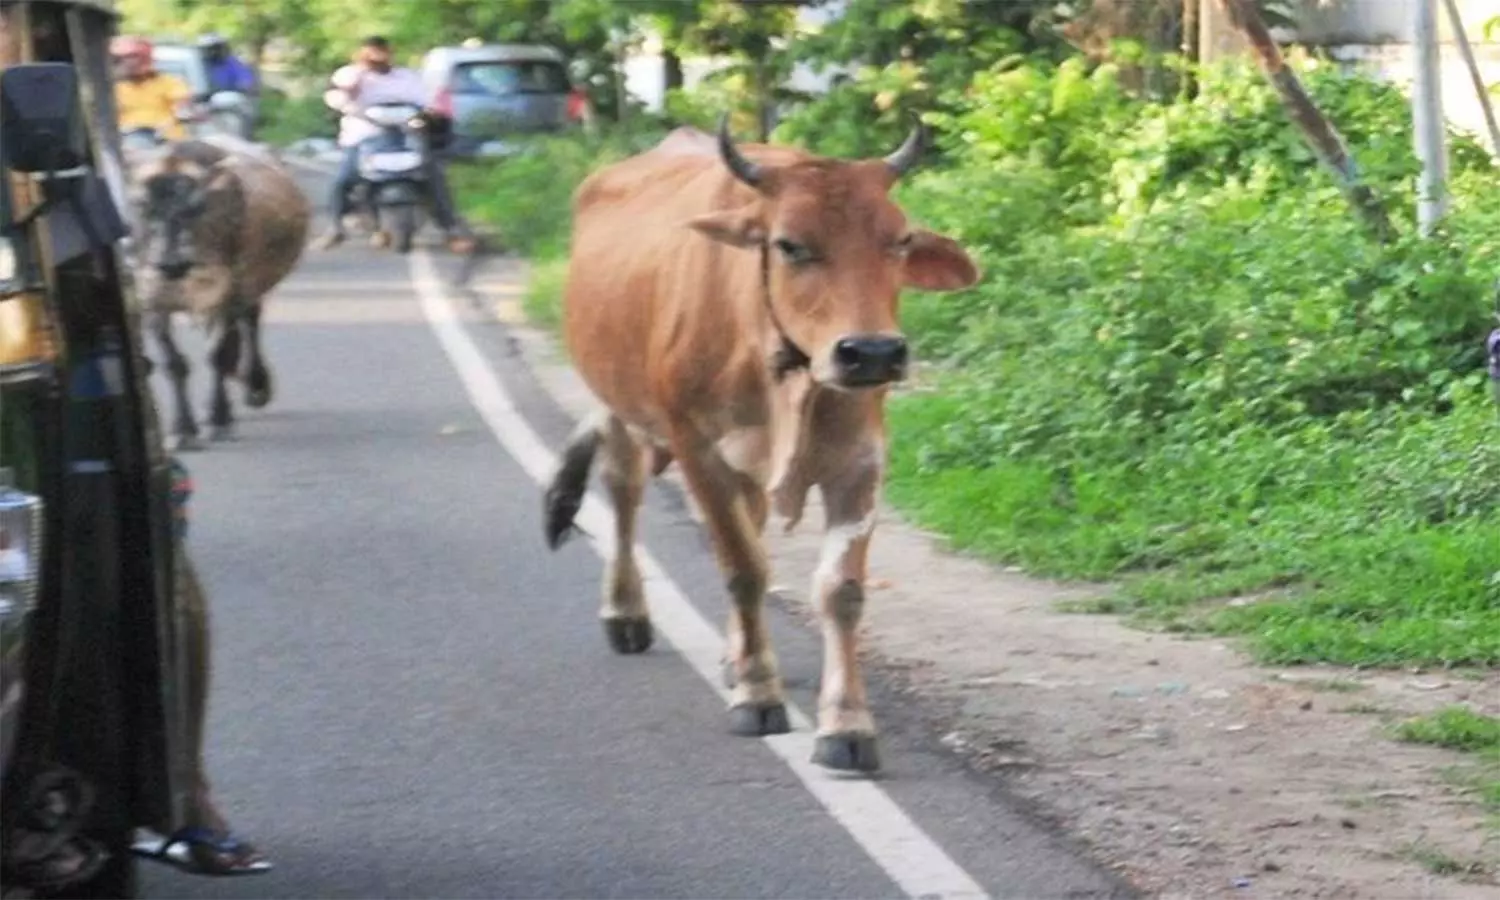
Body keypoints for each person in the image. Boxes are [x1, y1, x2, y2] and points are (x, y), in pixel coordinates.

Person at [316, 35, 474, 253]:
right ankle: (335, 227)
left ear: (390, 52)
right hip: (363, 137)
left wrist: (429, 116)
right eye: (372, 51)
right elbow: (337, 97)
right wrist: (359, 76)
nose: (378, 56)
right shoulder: (349, 75)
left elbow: (427, 103)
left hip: (407, 135)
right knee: (343, 180)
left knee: (434, 176)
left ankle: (451, 229)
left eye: (382, 50)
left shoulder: (407, 77)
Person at [111, 36, 192, 142]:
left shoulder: (170, 82)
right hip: (129, 142)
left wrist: (174, 119)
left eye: (135, 57)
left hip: (168, 140)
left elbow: (182, 108)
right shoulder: (113, 89)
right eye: (123, 59)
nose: (130, 63)